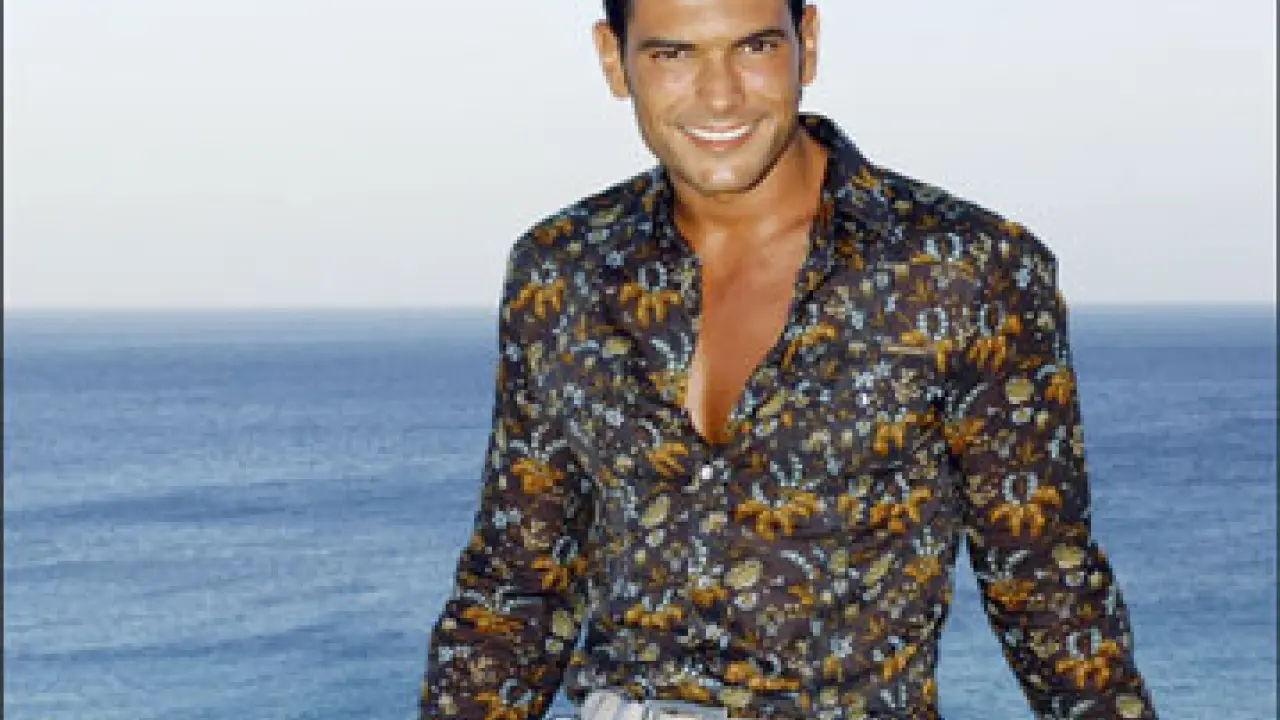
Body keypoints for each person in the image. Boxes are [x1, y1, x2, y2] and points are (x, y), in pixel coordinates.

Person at [418, 1, 1159, 718]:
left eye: (754, 47)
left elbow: (1046, 586)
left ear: (807, 40)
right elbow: (516, 588)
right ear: (614, 60)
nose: (719, 94)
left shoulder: (964, 269)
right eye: (673, 54)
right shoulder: (562, 269)